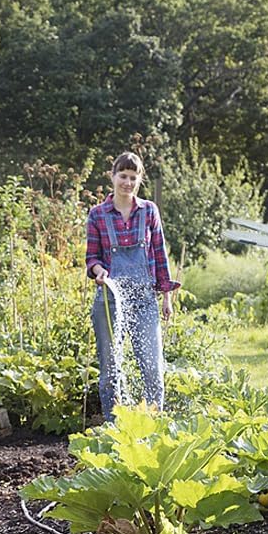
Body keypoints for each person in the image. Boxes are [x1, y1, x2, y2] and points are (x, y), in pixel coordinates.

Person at [84, 153, 179, 422]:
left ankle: (152, 425)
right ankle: (115, 428)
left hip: (145, 300)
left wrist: (167, 297)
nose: (127, 182)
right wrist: (99, 271)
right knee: (110, 370)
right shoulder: (98, 214)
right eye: (122, 176)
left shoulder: (149, 211)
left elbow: (160, 254)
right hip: (110, 301)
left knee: (152, 367)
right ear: (112, 176)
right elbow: (92, 258)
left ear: (139, 181)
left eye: (133, 178)